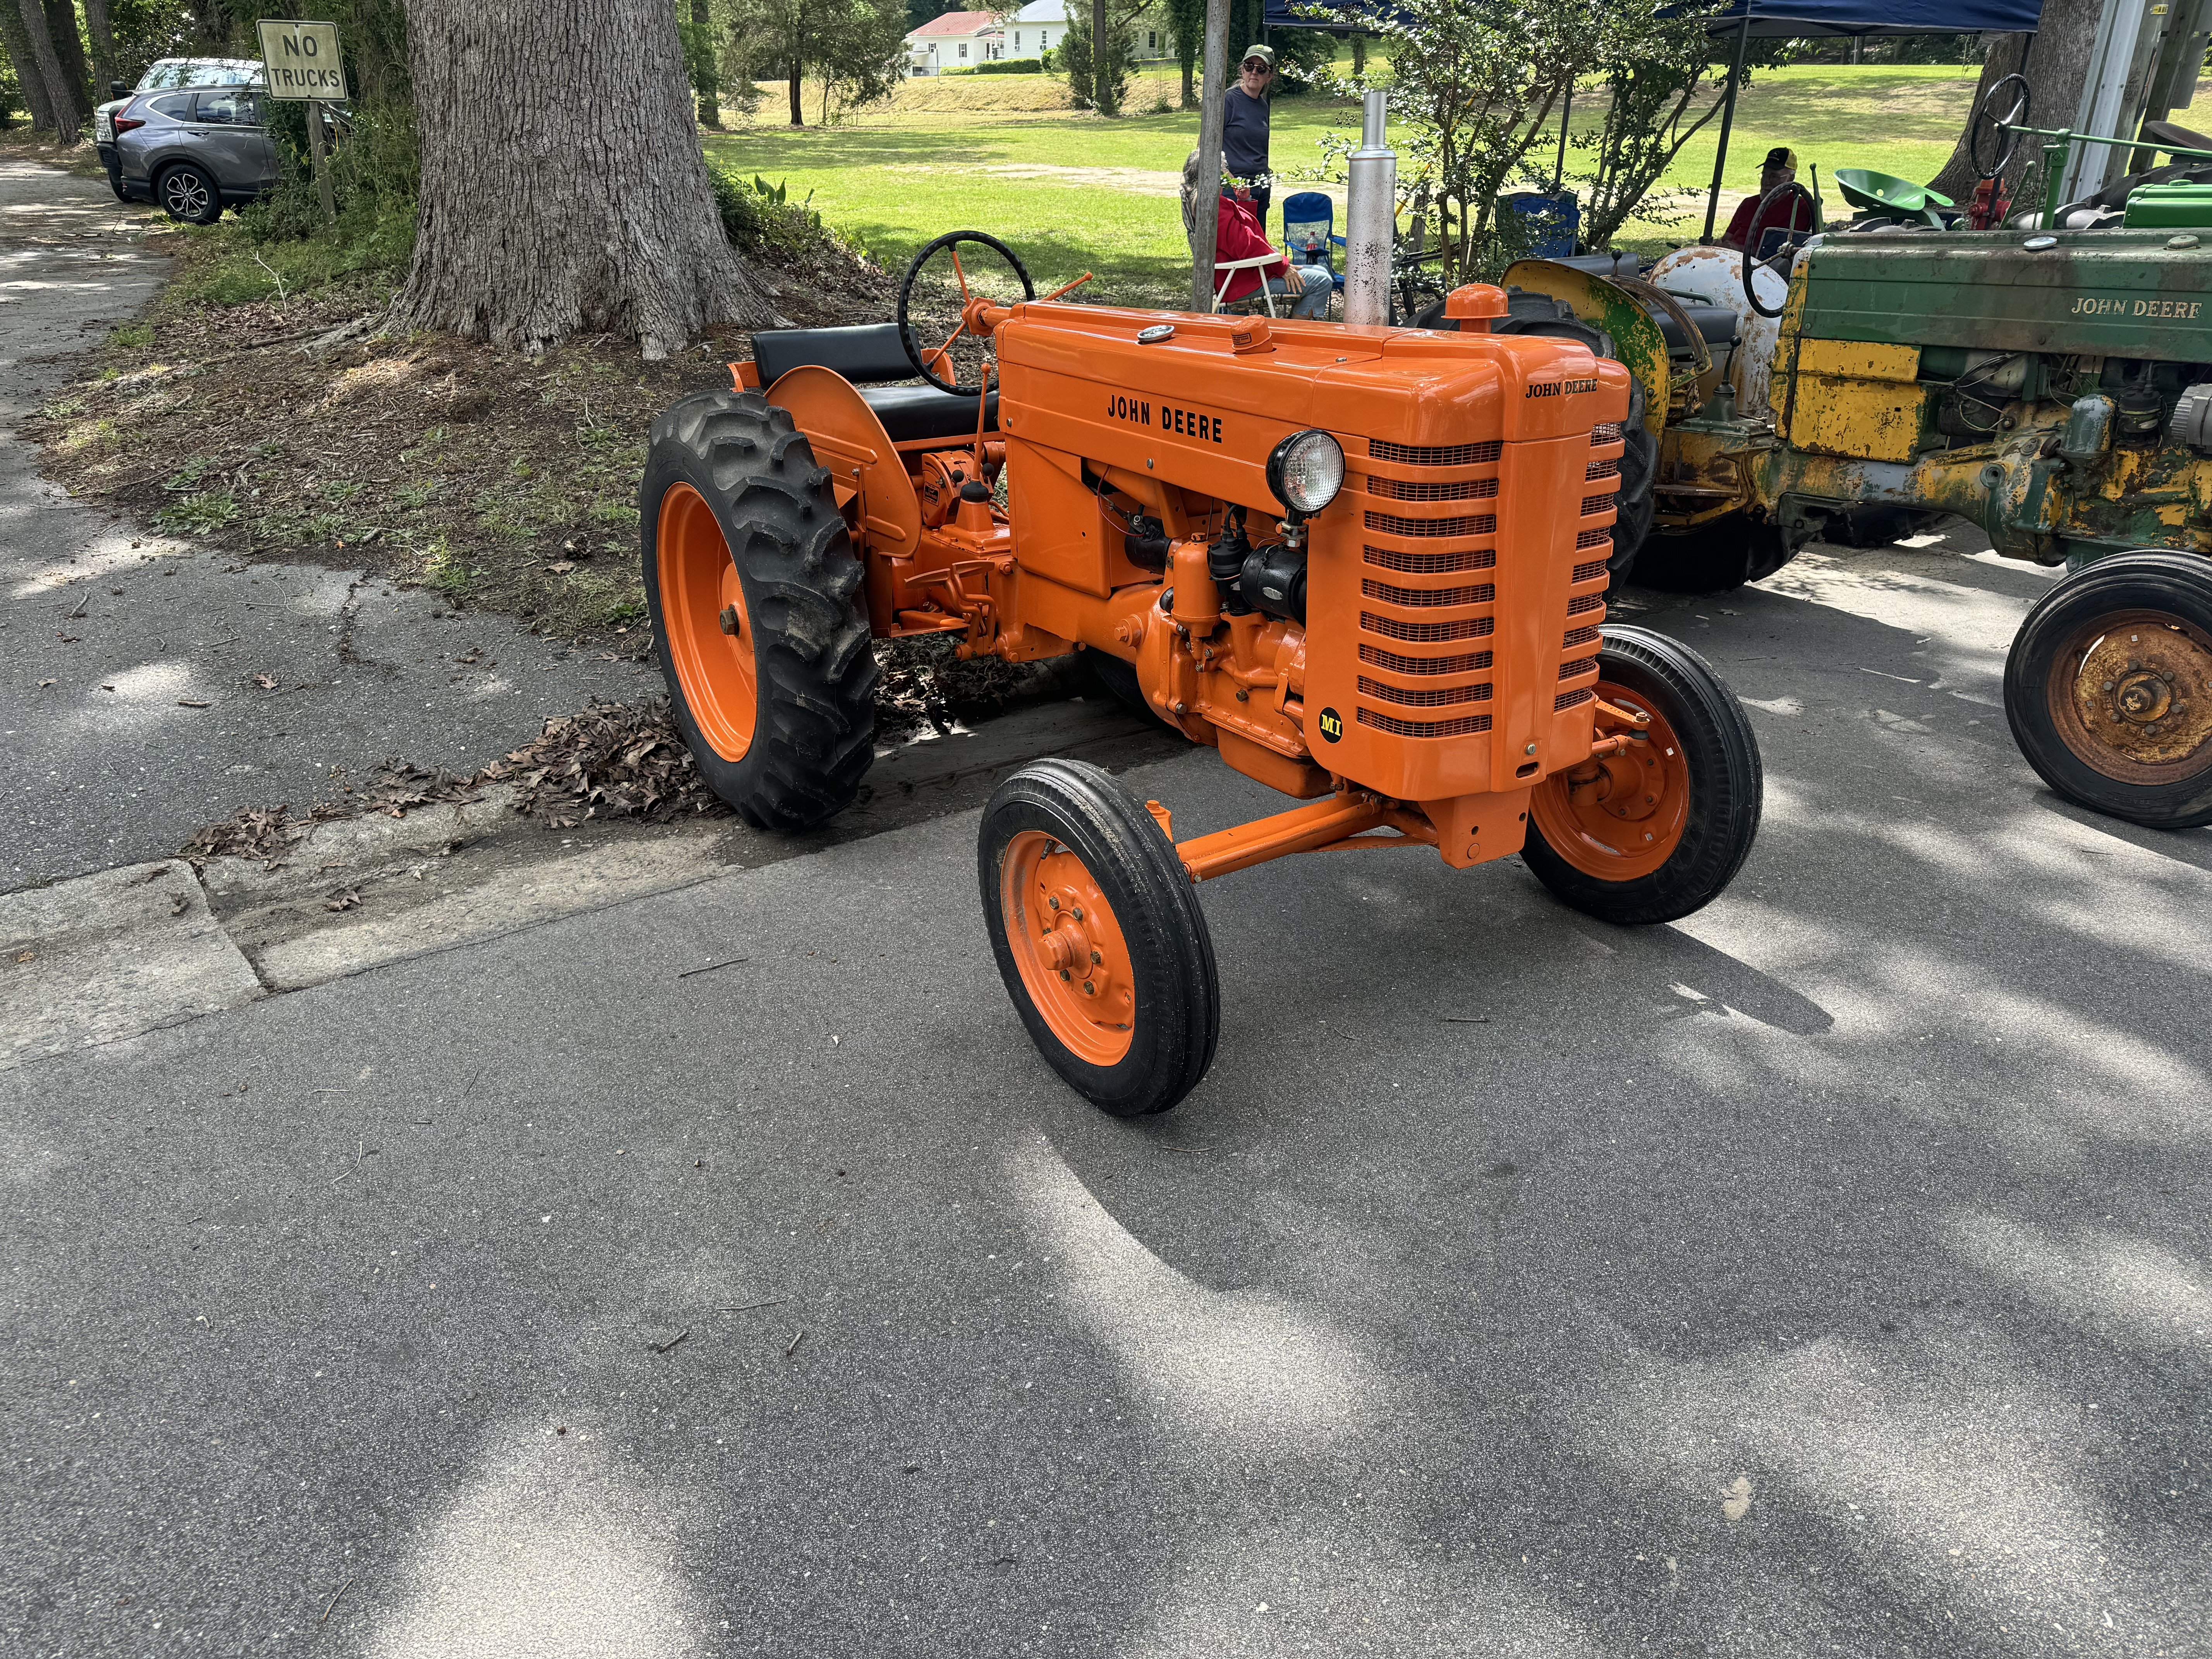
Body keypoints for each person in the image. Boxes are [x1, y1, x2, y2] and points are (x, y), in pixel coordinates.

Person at [1182, 149, 1329, 319]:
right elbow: (1244, 244)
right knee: (1321, 281)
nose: (1227, 175)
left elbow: (1235, 233)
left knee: (1321, 271)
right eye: (1222, 171)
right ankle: (1294, 335)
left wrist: (1244, 202)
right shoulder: (1212, 205)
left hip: (1245, 273)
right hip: (1242, 280)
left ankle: (1293, 328)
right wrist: (1281, 266)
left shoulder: (1208, 202)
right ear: (1210, 174)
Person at [1722, 146, 1815, 255]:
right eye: (1764, 175)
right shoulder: (1748, 204)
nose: (1766, 182)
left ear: (1790, 179)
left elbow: (1782, 254)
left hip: (1761, 267)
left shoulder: (1800, 207)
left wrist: (1740, 250)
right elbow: (1726, 238)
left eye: (1774, 177)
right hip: (1730, 260)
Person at [1222, 43, 1274, 226]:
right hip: (1232, 190)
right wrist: (1231, 180)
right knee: (1236, 249)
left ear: (1269, 77)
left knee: (1258, 249)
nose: (1254, 72)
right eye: (1249, 66)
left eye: (1261, 69)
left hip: (1260, 188)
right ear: (1243, 71)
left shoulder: (1263, 106)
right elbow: (1204, 147)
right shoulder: (1228, 100)